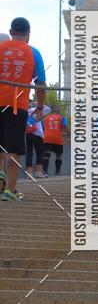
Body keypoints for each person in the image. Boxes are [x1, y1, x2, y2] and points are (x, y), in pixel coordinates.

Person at [0, 17, 46, 202]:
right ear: (28, 34)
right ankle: (10, 191)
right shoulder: (33, 52)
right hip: (17, 106)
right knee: (14, 148)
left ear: (11, 32)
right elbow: (41, 83)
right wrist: (40, 106)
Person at [42, 108, 69, 176]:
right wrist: (69, 137)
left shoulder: (46, 118)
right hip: (57, 138)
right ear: (58, 112)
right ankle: (57, 172)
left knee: (46, 155)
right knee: (59, 156)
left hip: (47, 138)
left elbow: (43, 128)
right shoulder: (61, 118)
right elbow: (66, 127)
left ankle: (45, 172)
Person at [25, 101, 46, 178]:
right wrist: (39, 105)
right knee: (39, 153)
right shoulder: (37, 109)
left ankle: (29, 173)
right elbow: (48, 108)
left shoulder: (25, 111)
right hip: (39, 134)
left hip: (29, 133)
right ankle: (38, 172)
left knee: (29, 153)